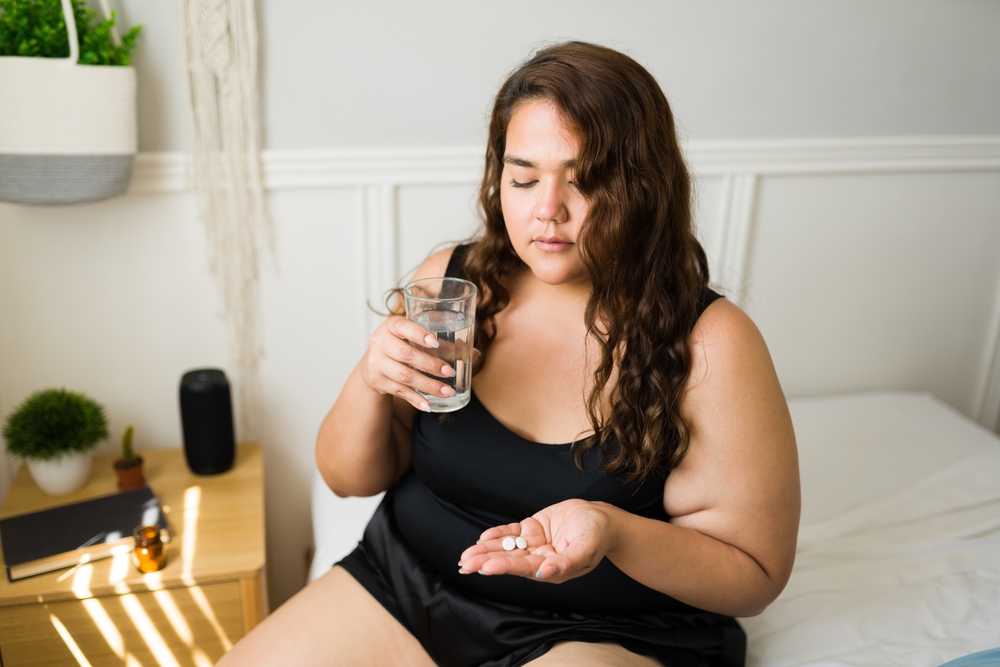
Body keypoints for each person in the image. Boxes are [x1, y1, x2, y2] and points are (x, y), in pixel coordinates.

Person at [218, 41, 799, 667]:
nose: (547, 211)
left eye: (585, 181)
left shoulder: (711, 340)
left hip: (599, 630)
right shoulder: (452, 289)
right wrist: (370, 377)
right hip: (405, 587)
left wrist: (614, 531)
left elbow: (755, 574)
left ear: (644, 188)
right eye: (524, 178)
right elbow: (347, 478)